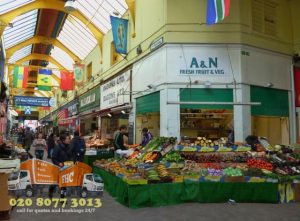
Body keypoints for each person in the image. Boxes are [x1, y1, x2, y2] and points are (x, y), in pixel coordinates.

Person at [50, 134, 71, 199]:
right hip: (58, 168)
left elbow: (70, 157)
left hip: (66, 167)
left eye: (69, 139)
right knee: (56, 183)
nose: (69, 140)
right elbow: (53, 157)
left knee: (64, 184)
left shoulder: (69, 147)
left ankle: (63, 197)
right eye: (67, 139)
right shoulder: (57, 147)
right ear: (63, 140)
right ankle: (50, 191)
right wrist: (58, 164)